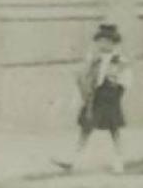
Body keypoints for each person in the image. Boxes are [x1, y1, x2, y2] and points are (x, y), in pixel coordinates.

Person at [54, 23, 131, 174]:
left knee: (114, 130)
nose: (103, 44)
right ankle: (74, 160)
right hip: (94, 98)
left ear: (113, 43)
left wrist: (118, 92)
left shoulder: (120, 60)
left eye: (107, 41)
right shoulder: (94, 59)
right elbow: (85, 76)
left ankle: (119, 160)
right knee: (85, 128)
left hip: (110, 97)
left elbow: (126, 80)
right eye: (100, 41)